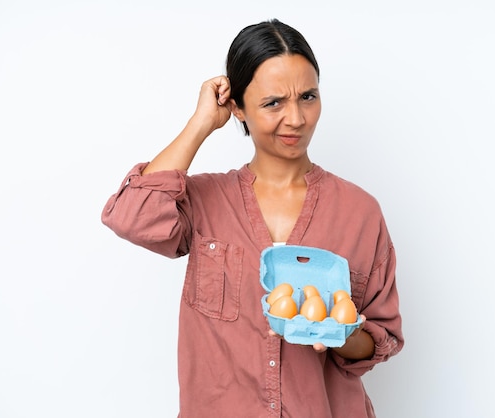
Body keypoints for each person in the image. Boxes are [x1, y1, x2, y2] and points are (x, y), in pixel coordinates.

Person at [102, 18, 404, 418]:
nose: (296, 118)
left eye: (308, 97)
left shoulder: (359, 212)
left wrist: (340, 335)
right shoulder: (205, 200)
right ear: (239, 108)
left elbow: (381, 338)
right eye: (273, 102)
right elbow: (130, 215)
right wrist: (201, 124)